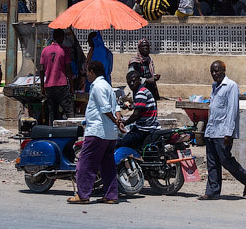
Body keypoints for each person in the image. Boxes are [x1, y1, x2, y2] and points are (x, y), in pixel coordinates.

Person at [198, 60, 246, 200]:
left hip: (223, 131)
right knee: (212, 162)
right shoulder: (214, 86)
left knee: (225, 160)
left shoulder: (231, 86)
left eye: (217, 71)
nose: (214, 74)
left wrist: (229, 133)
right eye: (212, 71)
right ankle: (212, 192)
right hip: (212, 130)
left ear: (224, 71)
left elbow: (232, 111)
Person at [69, 60, 124, 205]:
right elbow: (116, 107)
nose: (86, 75)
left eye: (87, 72)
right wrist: (118, 122)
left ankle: (83, 195)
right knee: (107, 165)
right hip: (109, 134)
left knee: (85, 163)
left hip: (98, 131)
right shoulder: (107, 86)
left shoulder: (98, 87)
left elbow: (106, 109)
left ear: (92, 72)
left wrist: (116, 122)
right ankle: (111, 195)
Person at [120, 69, 158, 151]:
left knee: (122, 144)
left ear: (140, 80)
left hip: (144, 129)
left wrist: (124, 123)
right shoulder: (143, 91)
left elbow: (136, 115)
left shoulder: (141, 93)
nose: (132, 84)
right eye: (129, 82)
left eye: (134, 81)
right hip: (149, 127)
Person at [40, 29, 73, 123]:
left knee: (52, 112)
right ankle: (74, 129)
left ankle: (52, 131)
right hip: (61, 84)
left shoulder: (45, 50)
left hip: (49, 86)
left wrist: (42, 86)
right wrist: (72, 86)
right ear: (61, 37)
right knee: (68, 109)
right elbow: (68, 69)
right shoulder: (64, 50)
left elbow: (42, 70)